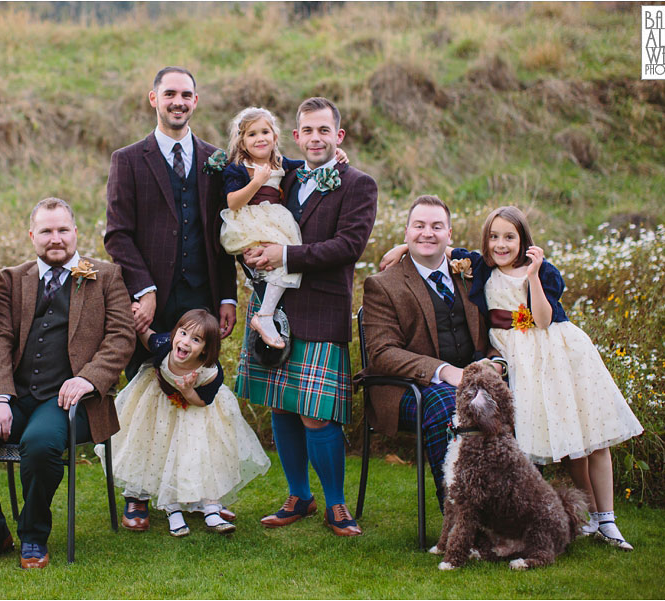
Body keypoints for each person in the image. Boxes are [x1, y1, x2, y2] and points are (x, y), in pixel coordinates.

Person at [0, 197, 136, 569]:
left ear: (76, 233)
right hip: (14, 396)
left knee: (40, 443)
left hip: (71, 400)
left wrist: (88, 379)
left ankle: (33, 536)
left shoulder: (106, 275)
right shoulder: (13, 279)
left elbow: (121, 338)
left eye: (63, 230)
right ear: (32, 235)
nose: (56, 238)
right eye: (46, 231)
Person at [448, 206, 643, 550]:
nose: (501, 244)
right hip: (522, 364)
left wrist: (534, 275)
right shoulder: (481, 268)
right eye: (494, 237)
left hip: (561, 355)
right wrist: (402, 248)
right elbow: (444, 249)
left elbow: (541, 319)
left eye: (509, 236)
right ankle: (590, 515)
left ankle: (608, 519)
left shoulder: (541, 272)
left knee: (591, 435)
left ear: (523, 239)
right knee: (568, 443)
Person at [237, 97, 377, 537]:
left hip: (320, 306)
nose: (315, 138)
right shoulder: (286, 173)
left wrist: (284, 254)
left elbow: (347, 247)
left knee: (317, 414)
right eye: (307, 131)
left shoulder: (358, 184)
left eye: (324, 131)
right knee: (282, 405)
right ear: (295, 137)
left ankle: (337, 504)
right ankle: (299, 495)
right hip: (273, 308)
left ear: (338, 137)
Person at [360, 195, 505, 512]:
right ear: (406, 232)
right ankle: (460, 514)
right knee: (448, 404)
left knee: (517, 396)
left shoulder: (469, 276)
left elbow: (493, 329)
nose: (428, 233)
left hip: (474, 378)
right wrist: (446, 372)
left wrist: (497, 361)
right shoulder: (383, 285)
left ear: (449, 235)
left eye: (437, 226)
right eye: (419, 226)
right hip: (409, 388)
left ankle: (513, 509)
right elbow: (382, 353)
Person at [104, 66, 237, 368]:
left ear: (195, 100)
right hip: (151, 305)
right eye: (170, 94)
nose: (179, 101)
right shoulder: (127, 160)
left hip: (202, 300)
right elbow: (117, 235)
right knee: (147, 392)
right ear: (154, 98)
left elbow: (225, 233)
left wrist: (228, 297)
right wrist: (144, 290)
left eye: (186, 95)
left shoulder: (215, 159)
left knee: (197, 388)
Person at [96, 309, 270, 537]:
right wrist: (136, 316)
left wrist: (187, 389)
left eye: (195, 340)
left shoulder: (210, 372)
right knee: (161, 451)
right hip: (159, 405)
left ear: (206, 349)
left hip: (198, 410)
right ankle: (172, 508)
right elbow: (146, 335)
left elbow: (202, 401)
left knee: (204, 454)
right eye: (183, 333)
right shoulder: (163, 345)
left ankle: (211, 506)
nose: (185, 342)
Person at [221, 106, 348, 348]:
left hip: (276, 221)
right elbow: (232, 201)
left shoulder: (281, 163)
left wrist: (336, 154)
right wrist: (256, 182)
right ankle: (265, 314)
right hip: (250, 223)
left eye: (265, 132)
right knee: (268, 263)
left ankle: (266, 314)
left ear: (275, 136)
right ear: (241, 141)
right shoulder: (238, 167)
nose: (260, 139)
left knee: (286, 261)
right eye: (251, 134)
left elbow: (311, 164)